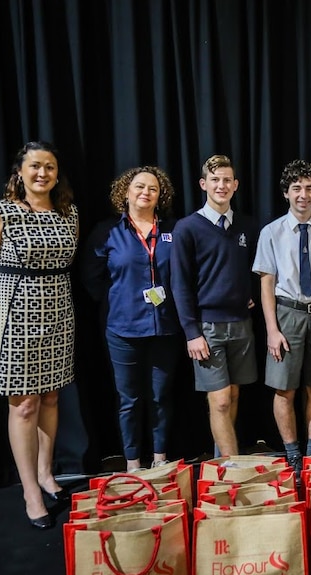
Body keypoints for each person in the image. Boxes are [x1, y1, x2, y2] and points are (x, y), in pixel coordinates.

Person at [0, 141, 78, 529]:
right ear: (20, 171)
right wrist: (3, 308)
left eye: (49, 166)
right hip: (15, 312)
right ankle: (30, 490)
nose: (43, 173)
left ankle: (47, 474)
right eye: (35, 166)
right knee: (25, 404)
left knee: (50, 395)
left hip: (59, 310)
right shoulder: (1, 213)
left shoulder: (69, 212)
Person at [81, 166, 181, 473]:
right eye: (139, 187)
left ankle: (161, 458)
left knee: (161, 397)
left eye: (152, 188)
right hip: (122, 329)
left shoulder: (173, 231)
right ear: (125, 192)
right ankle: (134, 462)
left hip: (164, 327)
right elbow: (91, 277)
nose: (145, 193)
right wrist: (120, 301)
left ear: (160, 195)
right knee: (130, 400)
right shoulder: (107, 231)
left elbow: (185, 274)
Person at [253, 159, 311, 479]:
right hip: (287, 314)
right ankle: (292, 452)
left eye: (309, 188)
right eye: (297, 189)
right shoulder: (272, 232)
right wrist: (272, 330)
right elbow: (266, 284)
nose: (303, 195)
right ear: (286, 193)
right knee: (284, 389)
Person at [171, 154, 258, 457]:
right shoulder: (187, 228)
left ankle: (221, 462)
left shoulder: (247, 225)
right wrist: (191, 332)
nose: (221, 185)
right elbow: (179, 283)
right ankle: (234, 468)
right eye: (215, 180)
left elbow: (253, 270)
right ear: (203, 184)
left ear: (235, 185)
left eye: (226, 180)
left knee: (233, 395)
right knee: (219, 400)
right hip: (207, 328)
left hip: (241, 323)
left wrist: (248, 292)